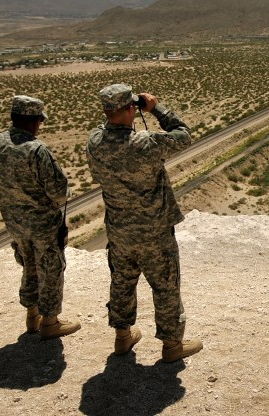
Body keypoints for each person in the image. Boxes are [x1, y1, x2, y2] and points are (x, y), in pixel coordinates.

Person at [87, 84, 203, 362]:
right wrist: (156, 109)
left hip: (119, 230)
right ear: (131, 109)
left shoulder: (94, 142)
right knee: (165, 286)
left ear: (106, 111)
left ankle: (123, 337)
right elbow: (183, 135)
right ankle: (172, 345)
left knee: (122, 283)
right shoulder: (146, 143)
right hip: (154, 232)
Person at [0, 95, 81, 340]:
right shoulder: (36, 149)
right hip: (43, 224)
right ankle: (50, 321)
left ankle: (31, 315)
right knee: (51, 269)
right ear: (35, 121)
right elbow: (59, 193)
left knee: (28, 265)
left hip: (14, 222)